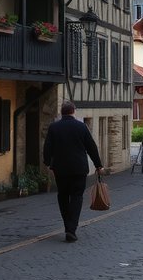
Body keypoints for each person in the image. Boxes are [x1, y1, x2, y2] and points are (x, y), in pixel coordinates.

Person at [43, 100, 104, 242]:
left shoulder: (54, 127)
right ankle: (71, 229)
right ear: (73, 111)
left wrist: (48, 163)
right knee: (77, 197)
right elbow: (91, 147)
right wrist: (98, 165)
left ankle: (67, 227)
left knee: (63, 196)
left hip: (60, 169)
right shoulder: (81, 127)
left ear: (62, 112)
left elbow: (47, 148)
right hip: (79, 168)